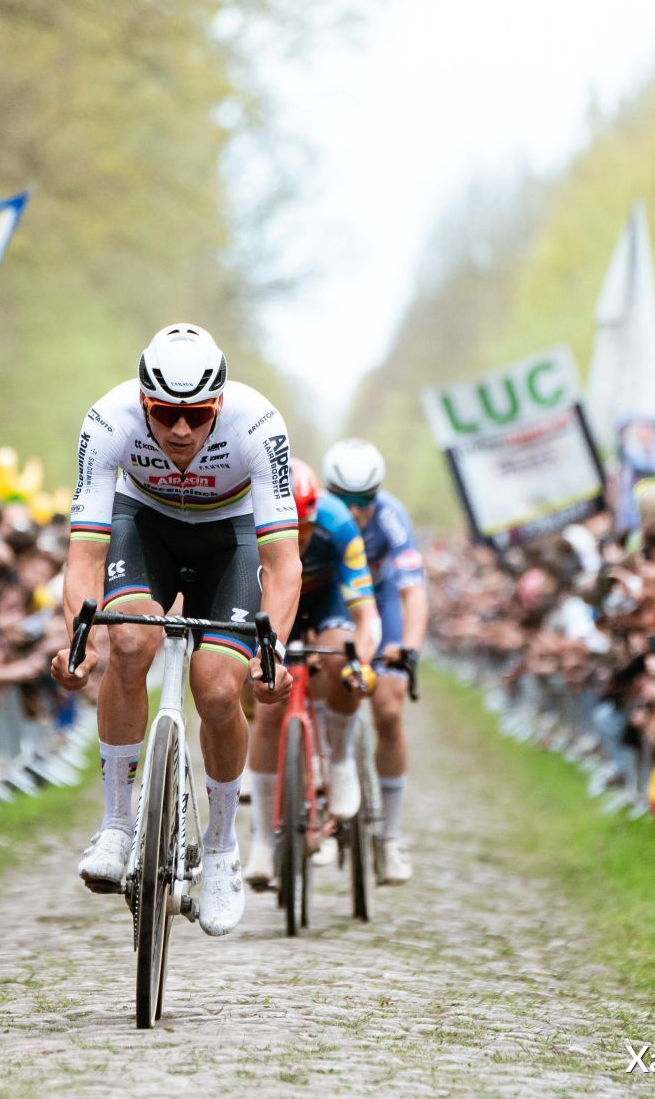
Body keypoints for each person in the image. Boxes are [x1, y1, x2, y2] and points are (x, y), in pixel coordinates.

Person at [49, 323, 299, 937]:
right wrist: (78, 642)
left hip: (232, 537)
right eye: (163, 414)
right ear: (142, 403)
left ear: (220, 403)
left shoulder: (258, 424)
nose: (180, 431)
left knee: (217, 690)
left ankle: (219, 849)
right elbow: (83, 555)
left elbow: (282, 563)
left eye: (196, 416)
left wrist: (274, 654)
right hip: (146, 525)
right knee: (130, 641)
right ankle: (116, 824)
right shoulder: (107, 423)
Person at [243, 460, 377, 889]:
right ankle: (263, 840)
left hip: (325, 604)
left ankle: (338, 763)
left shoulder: (338, 525)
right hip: (272, 603)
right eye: (289, 530)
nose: (297, 540)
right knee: (265, 709)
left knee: (341, 653)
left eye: (304, 531)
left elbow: (367, 614)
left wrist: (362, 661)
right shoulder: (246, 527)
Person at [322, 436, 426, 884]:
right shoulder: (318, 515)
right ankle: (322, 783)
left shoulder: (391, 517)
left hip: (378, 602)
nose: (358, 509)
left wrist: (409, 649)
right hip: (332, 597)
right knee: (320, 678)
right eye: (346, 499)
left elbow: (412, 591)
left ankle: (390, 838)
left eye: (366, 499)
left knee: (388, 708)